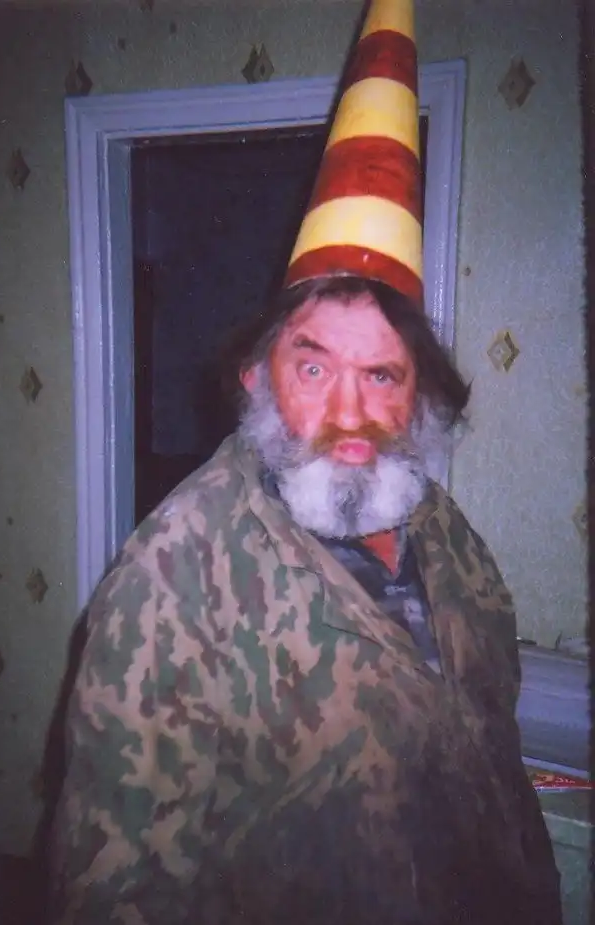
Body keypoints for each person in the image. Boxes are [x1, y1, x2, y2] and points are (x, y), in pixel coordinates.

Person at [48, 1, 562, 922]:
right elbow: (111, 891)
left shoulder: (447, 532)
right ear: (257, 376)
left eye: (383, 375)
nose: (350, 413)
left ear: (421, 398)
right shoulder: (172, 578)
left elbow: (493, 756)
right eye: (315, 367)